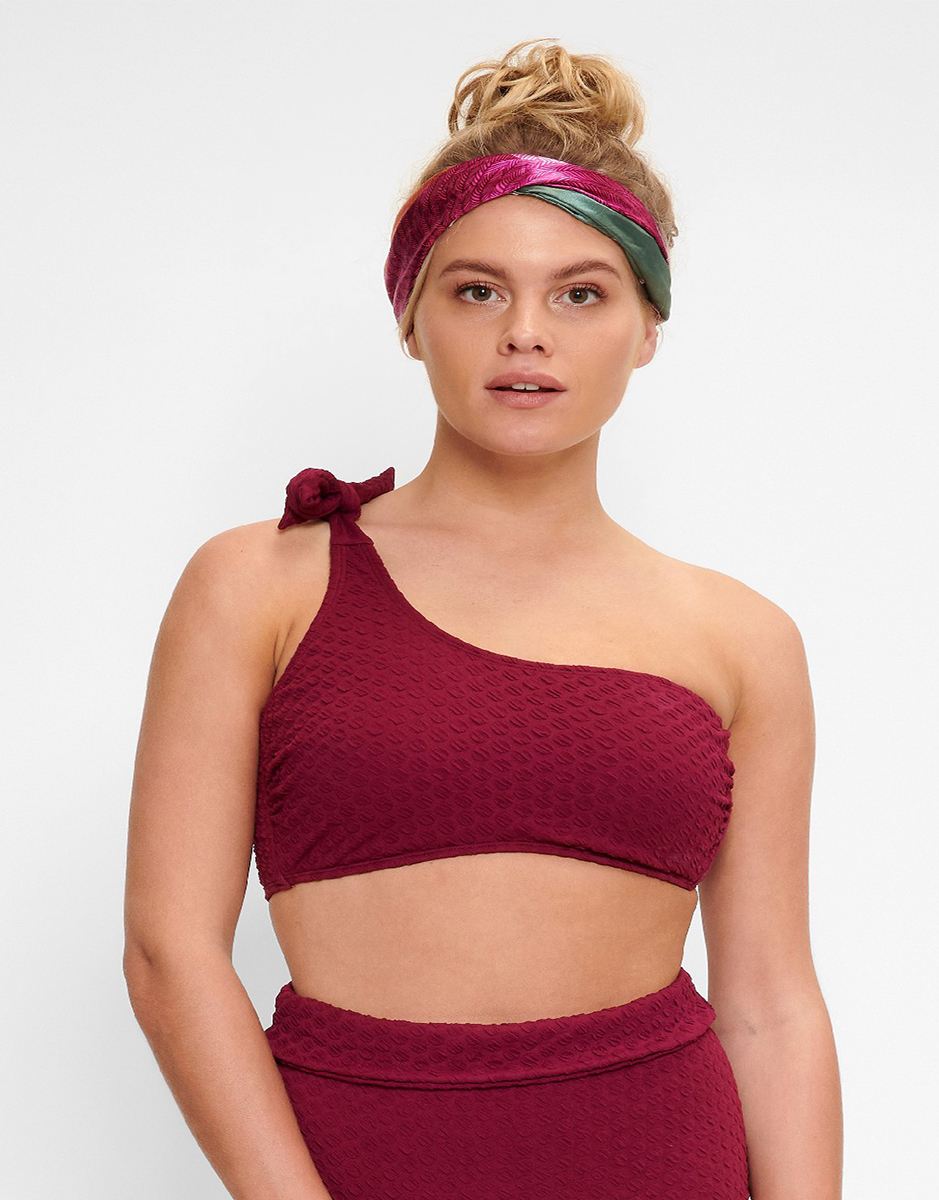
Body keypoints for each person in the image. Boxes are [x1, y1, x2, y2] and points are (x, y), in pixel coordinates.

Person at [123, 37, 843, 1200]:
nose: (526, 333)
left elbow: (769, 1005)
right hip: (354, 1161)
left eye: (581, 292)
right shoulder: (263, 585)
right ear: (411, 318)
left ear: (647, 328)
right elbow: (170, 954)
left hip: (663, 1159)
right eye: (477, 290)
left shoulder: (742, 640)